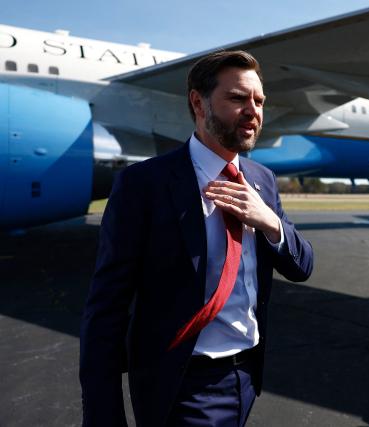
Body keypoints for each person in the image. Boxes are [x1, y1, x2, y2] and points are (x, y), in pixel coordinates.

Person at [79, 51, 314, 427]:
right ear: (197, 102)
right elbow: (106, 307)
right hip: (183, 384)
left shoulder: (262, 180)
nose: (253, 111)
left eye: (259, 101)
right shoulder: (145, 184)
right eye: (238, 99)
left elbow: (303, 266)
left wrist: (271, 223)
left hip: (247, 377)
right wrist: (102, 414)